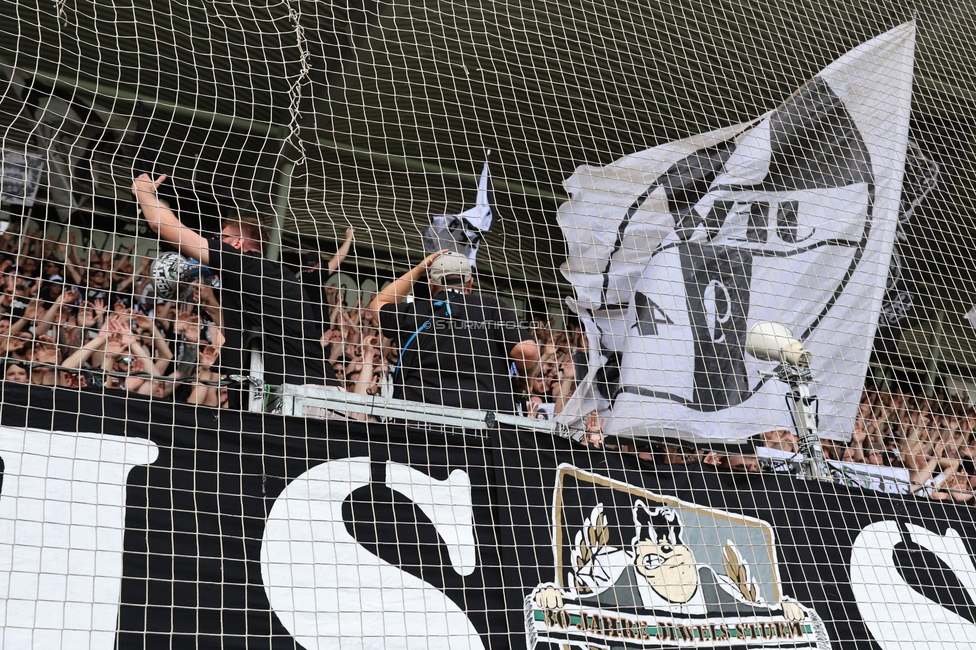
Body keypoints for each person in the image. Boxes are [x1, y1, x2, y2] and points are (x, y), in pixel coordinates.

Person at [131, 173, 337, 393]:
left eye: (221, 238)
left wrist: (144, 192)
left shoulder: (248, 264)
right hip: (285, 395)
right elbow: (241, 335)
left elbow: (162, 227)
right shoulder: (258, 280)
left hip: (305, 396)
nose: (216, 242)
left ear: (237, 243)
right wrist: (211, 304)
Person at [369, 250, 540, 413]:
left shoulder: (413, 312)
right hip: (487, 423)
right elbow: (527, 351)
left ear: (431, 285)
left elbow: (378, 303)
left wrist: (419, 270)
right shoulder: (493, 308)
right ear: (470, 283)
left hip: (421, 418)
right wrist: (525, 382)